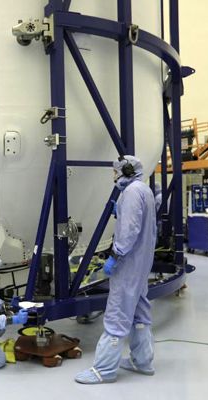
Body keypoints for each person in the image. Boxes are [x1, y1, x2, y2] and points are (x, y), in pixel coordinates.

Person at [75, 155, 157, 384]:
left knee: (117, 313)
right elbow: (144, 224)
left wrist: (116, 254)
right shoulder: (144, 190)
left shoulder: (130, 193)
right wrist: (120, 211)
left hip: (128, 263)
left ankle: (104, 370)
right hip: (142, 263)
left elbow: (130, 230)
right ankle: (142, 361)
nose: (114, 176)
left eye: (115, 171)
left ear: (126, 170)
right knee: (139, 311)